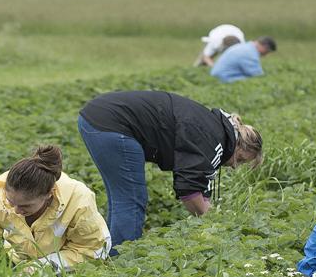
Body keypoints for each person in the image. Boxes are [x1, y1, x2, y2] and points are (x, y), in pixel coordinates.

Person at [76, 90, 263, 252]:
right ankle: (121, 262)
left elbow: (199, 178)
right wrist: (210, 221)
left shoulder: (214, 129)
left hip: (95, 118)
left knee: (121, 197)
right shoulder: (214, 140)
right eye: (239, 159)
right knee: (131, 199)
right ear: (238, 142)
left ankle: (108, 251)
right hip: (113, 125)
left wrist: (205, 207)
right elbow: (189, 190)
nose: (234, 166)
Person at [0, 145, 111, 274]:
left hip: (71, 268)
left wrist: (40, 267)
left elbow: (90, 250)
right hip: (19, 262)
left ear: (49, 194)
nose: (15, 210)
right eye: (11, 201)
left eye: (25, 206)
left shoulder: (79, 199)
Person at [210, 36, 276, 83]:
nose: (266, 55)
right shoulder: (250, 53)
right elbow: (257, 76)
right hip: (225, 79)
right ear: (265, 47)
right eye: (267, 52)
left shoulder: (245, 47)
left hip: (217, 77)